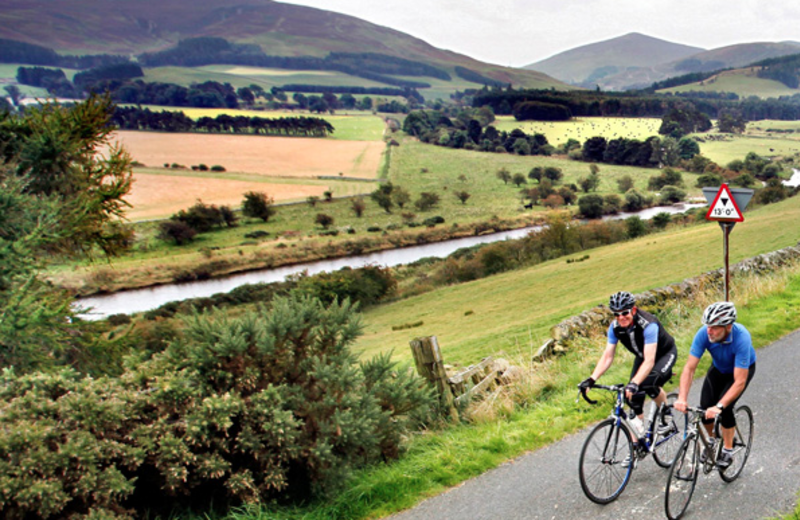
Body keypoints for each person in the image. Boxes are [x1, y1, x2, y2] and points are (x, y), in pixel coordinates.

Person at [579, 291, 678, 453]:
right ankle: (637, 447)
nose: (621, 317)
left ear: (633, 310)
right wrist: (592, 379)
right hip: (642, 356)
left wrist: (634, 383)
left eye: (624, 313)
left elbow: (650, 361)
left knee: (647, 384)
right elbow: (608, 356)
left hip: (664, 354)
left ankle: (666, 414)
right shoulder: (615, 327)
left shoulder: (648, 325)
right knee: (632, 397)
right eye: (616, 314)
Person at [674, 301, 756, 469]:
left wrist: (719, 406)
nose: (709, 330)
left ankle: (727, 448)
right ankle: (712, 439)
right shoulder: (704, 334)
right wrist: (682, 398)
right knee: (704, 408)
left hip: (740, 371)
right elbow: (689, 368)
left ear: (728, 326)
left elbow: (739, 381)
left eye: (715, 327)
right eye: (707, 326)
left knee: (725, 409)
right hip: (719, 368)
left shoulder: (742, 338)